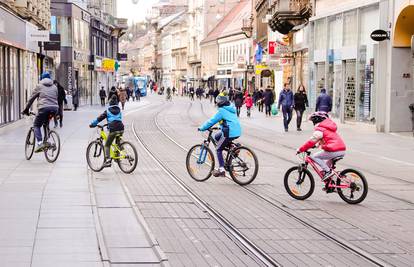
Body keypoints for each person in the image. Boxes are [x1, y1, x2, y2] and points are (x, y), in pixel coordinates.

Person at [198, 94, 242, 177]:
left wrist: (202, 128)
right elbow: (229, 121)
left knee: (218, 149)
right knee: (217, 137)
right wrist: (220, 127)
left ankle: (221, 169)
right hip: (236, 131)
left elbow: (211, 121)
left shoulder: (221, 111)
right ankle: (233, 146)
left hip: (229, 132)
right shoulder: (231, 109)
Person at [297, 112, 346, 184]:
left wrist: (301, 149)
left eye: (313, 121)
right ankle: (330, 183)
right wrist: (316, 145)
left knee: (314, 157)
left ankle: (328, 172)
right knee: (327, 164)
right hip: (341, 150)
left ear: (316, 121)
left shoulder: (320, 129)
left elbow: (311, 141)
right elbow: (325, 139)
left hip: (334, 150)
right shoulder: (327, 128)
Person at [22, 72, 59, 152]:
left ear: (41, 78)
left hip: (44, 108)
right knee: (46, 123)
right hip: (54, 108)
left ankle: (39, 143)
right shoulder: (55, 87)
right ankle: (47, 140)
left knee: (36, 124)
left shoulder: (39, 86)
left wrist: (26, 109)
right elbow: (56, 97)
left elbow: (31, 99)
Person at [89, 95, 125, 168]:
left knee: (107, 145)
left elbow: (99, 119)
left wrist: (92, 124)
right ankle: (119, 154)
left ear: (110, 103)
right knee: (118, 143)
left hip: (113, 129)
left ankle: (108, 160)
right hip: (121, 128)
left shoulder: (108, 111)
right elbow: (119, 119)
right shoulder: (119, 110)